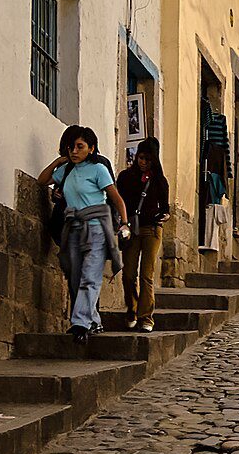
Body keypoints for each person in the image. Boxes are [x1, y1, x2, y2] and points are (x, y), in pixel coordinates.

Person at [39, 127, 128, 344]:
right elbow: (43, 180)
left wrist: (124, 223)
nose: (74, 151)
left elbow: (116, 198)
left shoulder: (98, 169)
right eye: (71, 147)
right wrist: (58, 162)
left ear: (91, 148)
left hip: (96, 227)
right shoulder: (66, 170)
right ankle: (94, 321)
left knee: (90, 276)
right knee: (76, 277)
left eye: (80, 147)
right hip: (73, 229)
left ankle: (80, 323)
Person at [117, 137, 170, 333]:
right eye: (141, 158)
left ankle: (146, 317)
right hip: (131, 229)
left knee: (146, 274)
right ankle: (132, 309)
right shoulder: (125, 177)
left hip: (152, 230)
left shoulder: (159, 181)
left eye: (147, 159)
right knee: (129, 274)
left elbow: (166, 209)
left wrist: (163, 216)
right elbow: (119, 201)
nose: (143, 162)